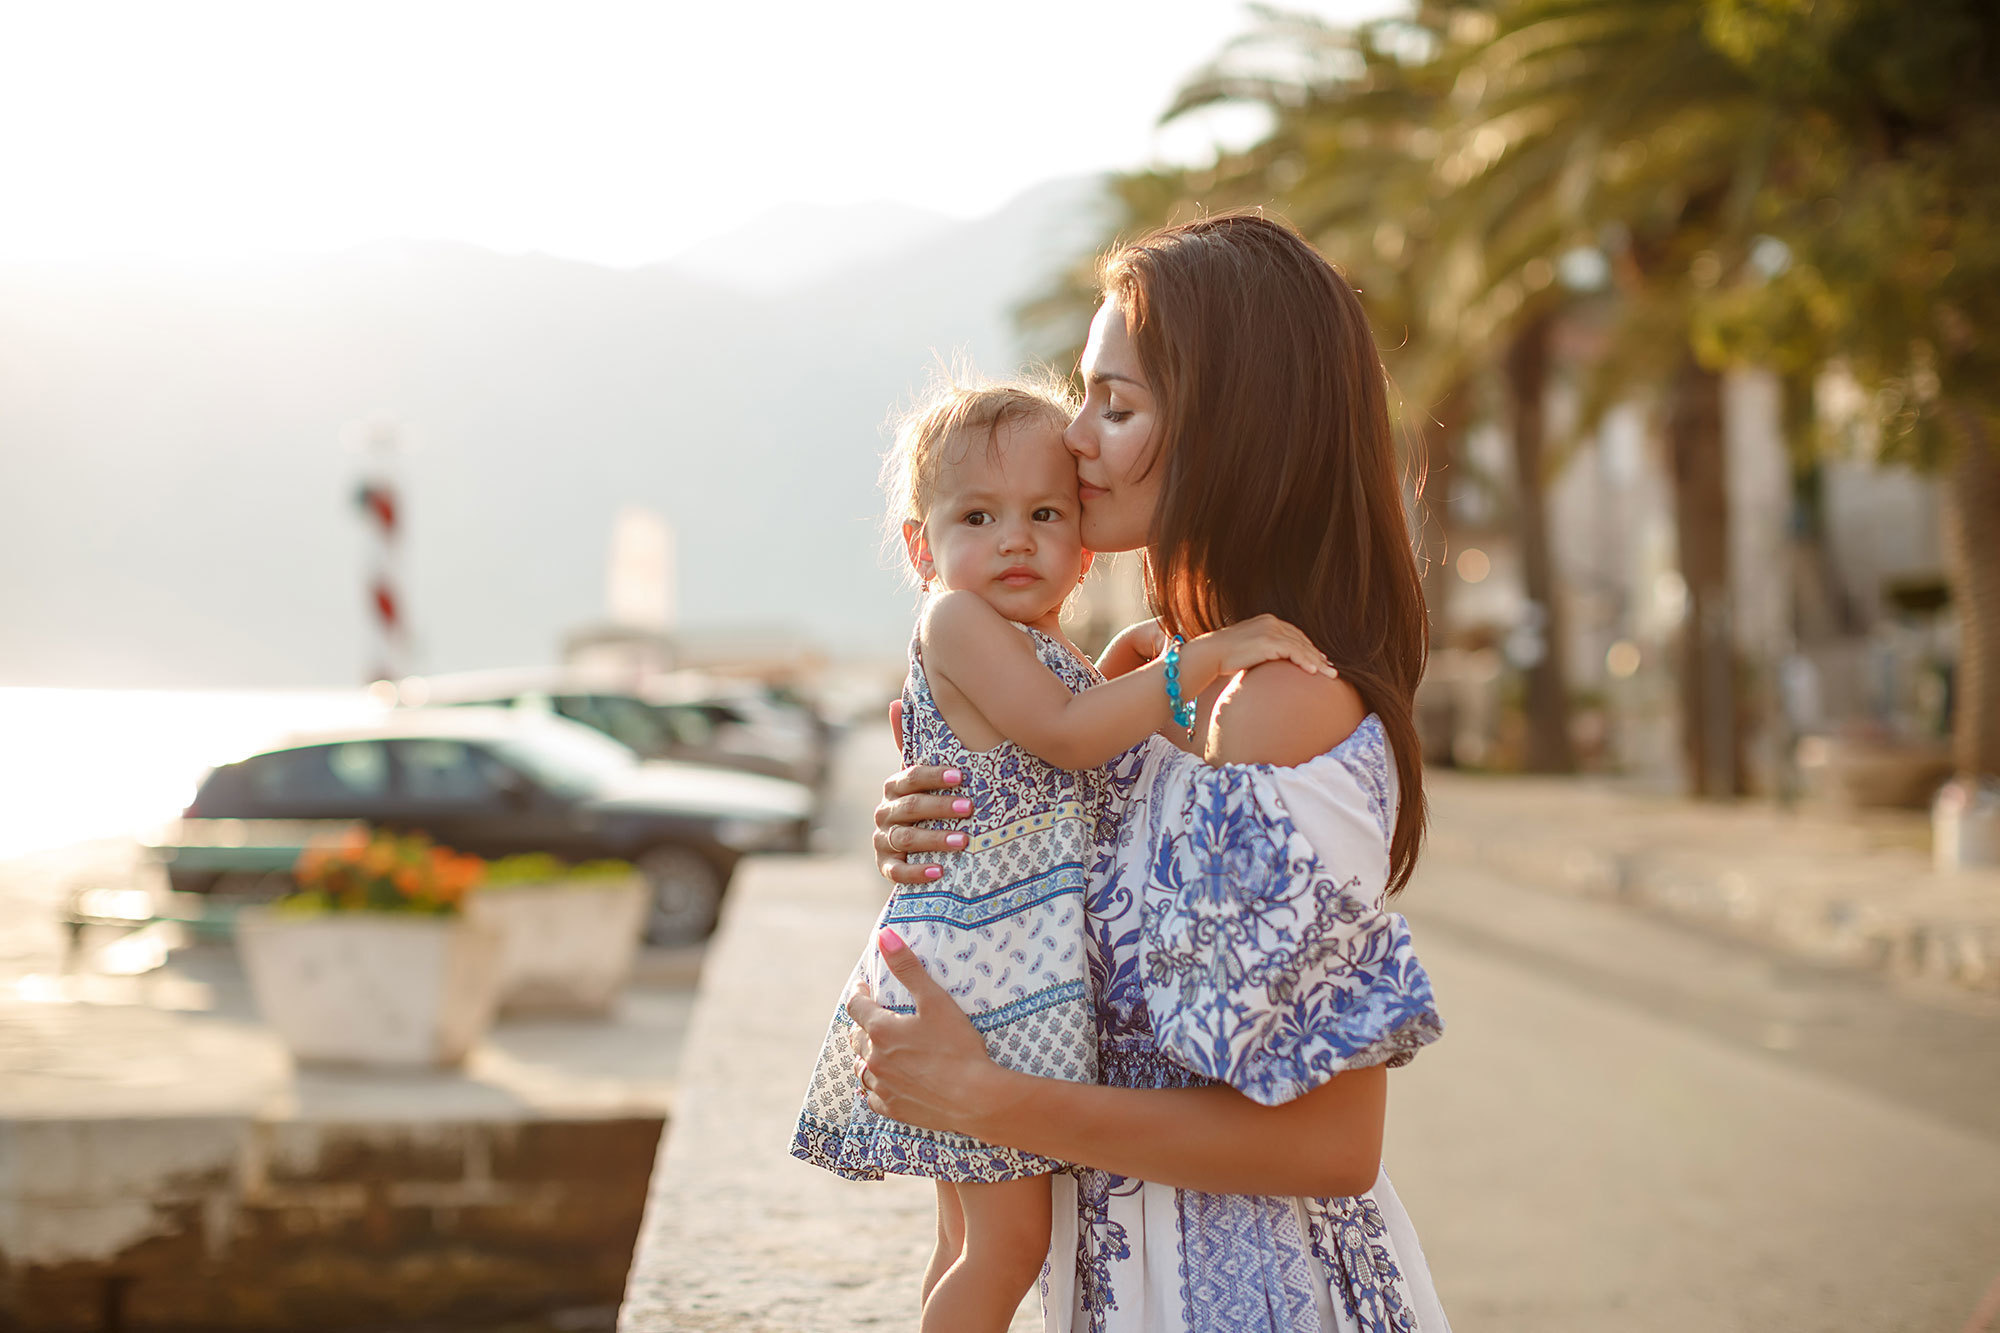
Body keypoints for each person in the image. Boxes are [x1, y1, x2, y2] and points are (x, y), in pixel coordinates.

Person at [854, 214, 1452, 1332]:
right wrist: (937, 824)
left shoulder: (1269, 704)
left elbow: (1327, 1144)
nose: (1073, 438)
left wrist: (985, 1099)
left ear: (1235, 433)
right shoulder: (1146, 677)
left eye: (1114, 406)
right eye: (1083, 396)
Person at [790, 374, 1335, 1333]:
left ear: (1080, 552)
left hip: (991, 964)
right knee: (1007, 1249)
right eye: (978, 516)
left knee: (968, 1244)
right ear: (923, 546)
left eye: (1045, 513)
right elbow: (1072, 736)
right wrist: (1204, 657)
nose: (1014, 538)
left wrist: (1131, 660)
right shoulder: (955, 621)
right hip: (989, 980)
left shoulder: (1031, 643)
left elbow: (1080, 728)